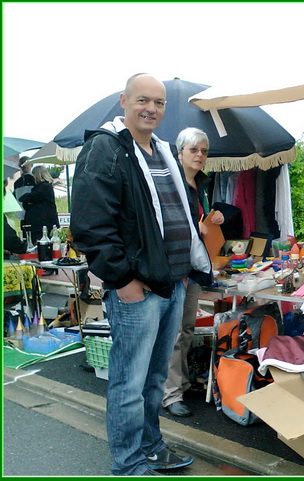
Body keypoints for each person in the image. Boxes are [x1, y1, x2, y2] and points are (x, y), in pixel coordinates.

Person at [70, 74, 212, 476]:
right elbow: (91, 225)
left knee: (153, 380)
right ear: (124, 101)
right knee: (129, 383)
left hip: (171, 283)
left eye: (159, 103)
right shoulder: (106, 149)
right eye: (143, 100)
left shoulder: (164, 151)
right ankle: (129, 461)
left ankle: (150, 445)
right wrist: (121, 281)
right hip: (137, 288)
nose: (151, 108)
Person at [163, 127, 224, 418]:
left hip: (195, 266)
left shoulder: (201, 184)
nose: (200, 155)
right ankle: (170, 394)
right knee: (175, 333)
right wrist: (190, 226)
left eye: (204, 151)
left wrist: (214, 217)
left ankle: (182, 384)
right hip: (174, 267)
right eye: (194, 150)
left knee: (187, 329)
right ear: (180, 152)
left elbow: (201, 221)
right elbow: (162, 219)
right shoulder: (170, 181)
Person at [18, 165, 59, 238]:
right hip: (44, 221)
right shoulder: (46, 186)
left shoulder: (43, 187)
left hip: (41, 222)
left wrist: (28, 201)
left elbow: (28, 197)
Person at [13, 156, 36, 222]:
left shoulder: (34, 179)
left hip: (33, 213)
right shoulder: (17, 182)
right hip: (21, 214)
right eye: (21, 164)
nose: (23, 165)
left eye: (26, 163)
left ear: (31, 164)